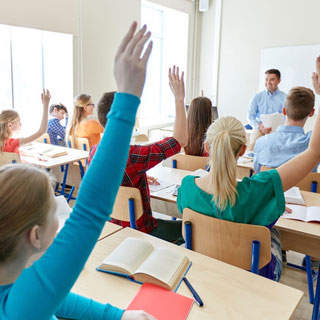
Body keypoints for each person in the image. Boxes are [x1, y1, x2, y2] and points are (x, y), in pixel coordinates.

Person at [0, 22, 156, 320]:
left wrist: (118, 316)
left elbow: (54, 298)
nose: (61, 223)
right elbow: (90, 209)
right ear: (34, 236)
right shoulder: (18, 310)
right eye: (55, 215)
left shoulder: (14, 282)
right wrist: (127, 98)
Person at [177, 56, 320, 282]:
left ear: (207, 147)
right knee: (270, 233)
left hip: (203, 270)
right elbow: (313, 152)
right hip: (252, 274)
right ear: (243, 150)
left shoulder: (186, 187)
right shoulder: (257, 190)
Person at [88, 66, 187, 242]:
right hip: (142, 232)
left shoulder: (94, 152)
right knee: (191, 228)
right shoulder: (132, 156)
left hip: (112, 229)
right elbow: (180, 140)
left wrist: (137, 177)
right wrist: (179, 99)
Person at [254, 86, 315, 173]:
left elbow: (257, 174)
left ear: (284, 110)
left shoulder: (261, 143)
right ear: (311, 113)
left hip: (272, 187)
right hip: (304, 187)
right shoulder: (314, 143)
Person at [0, 90, 51, 156]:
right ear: (9, 125)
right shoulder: (12, 143)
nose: (21, 124)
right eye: (19, 122)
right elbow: (42, 131)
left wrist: (30, 154)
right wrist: (46, 104)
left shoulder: (4, 144)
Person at [248, 69, 287, 150]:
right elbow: (250, 116)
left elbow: (287, 117)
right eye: (266, 79)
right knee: (253, 145)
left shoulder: (285, 98)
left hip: (278, 130)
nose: (268, 82)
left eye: (272, 79)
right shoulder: (257, 97)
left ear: (279, 81)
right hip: (261, 128)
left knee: (282, 147)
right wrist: (260, 127)